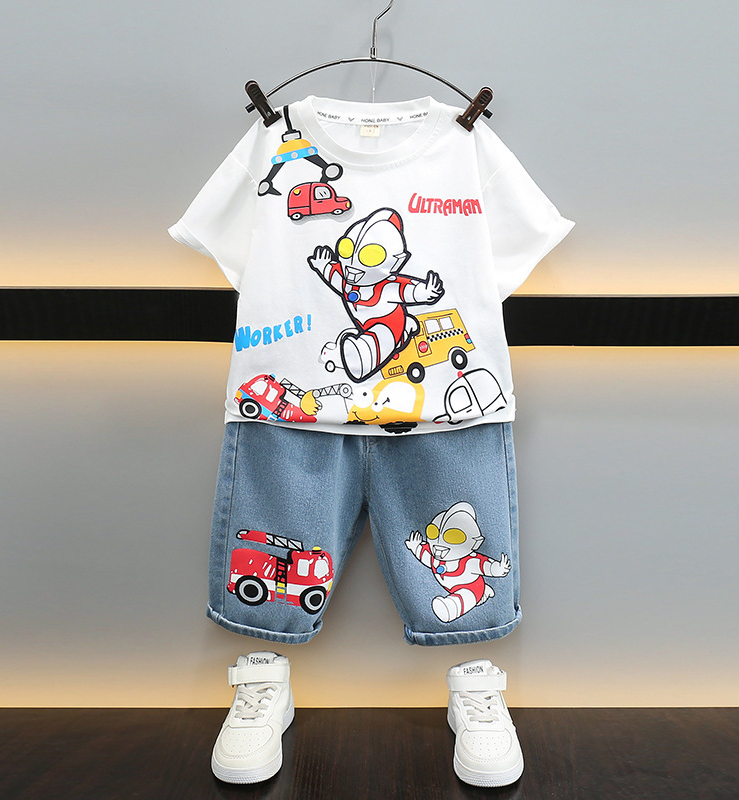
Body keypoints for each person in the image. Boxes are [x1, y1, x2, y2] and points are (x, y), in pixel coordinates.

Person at [169, 94, 573, 787]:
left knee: (465, 546)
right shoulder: (276, 138)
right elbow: (265, 256)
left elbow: (493, 264)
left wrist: (431, 284)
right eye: (358, 253)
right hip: (294, 403)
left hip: (441, 410)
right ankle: (265, 682)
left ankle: (474, 685)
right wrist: (323, 268)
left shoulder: (465, 144)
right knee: (271, 550)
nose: (361, 261)